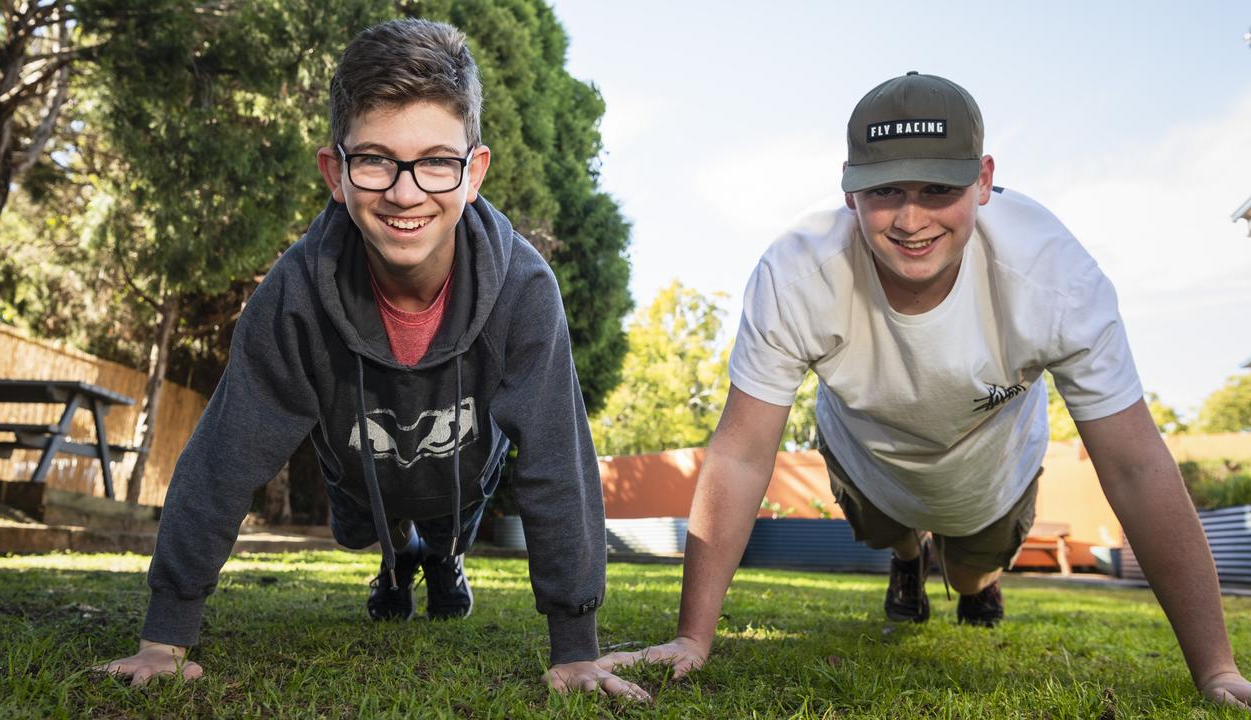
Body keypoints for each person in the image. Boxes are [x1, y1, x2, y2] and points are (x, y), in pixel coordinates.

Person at [609, 72, 1251, 708]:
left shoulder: (1057, 280)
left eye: (938, 189)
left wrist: (1217, 671)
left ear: (984, 180)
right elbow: (742, 454)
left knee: (970, 571)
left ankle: (968, 584)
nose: (910, 220)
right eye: (885, 190)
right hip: (868, 456)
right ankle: (908, 557)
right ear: (847, 187)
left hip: (988, 471)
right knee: (889, 532)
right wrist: (692, 639)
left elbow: (1137, 467)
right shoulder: (796, 272)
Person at [97, 18, 648, 701]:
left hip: (462, 472)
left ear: (474, 172)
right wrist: (165, 635)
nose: (406, 191)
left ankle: (442, 562)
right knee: (367, 537)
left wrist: (575, 646)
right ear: (336, 172)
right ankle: (393, 568)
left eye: (437, 162)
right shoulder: (294, 296)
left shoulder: (524, 290)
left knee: (447, 534)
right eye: (376, 160)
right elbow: (223, 460)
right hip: (360, 474)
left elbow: (556, 465)